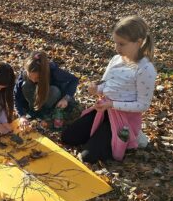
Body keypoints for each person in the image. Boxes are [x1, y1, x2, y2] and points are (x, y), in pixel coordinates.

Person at [62, 15, 157, 164]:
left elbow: (143, 105)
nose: (116, 48)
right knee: (68, 137)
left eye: (122, 44)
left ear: (138, 43)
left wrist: (112, 105)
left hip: (123, 117)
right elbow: (106, 84)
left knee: (88, 157)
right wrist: (96, 89)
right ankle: (102, 135)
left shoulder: (145, 68)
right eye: (115, 43)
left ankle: (132, 135)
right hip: (104, 110)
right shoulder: (116, 59)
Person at [14, 51, 79, 129]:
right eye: (30, 77)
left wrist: (65, 98)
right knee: (25, 85)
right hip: (35, 98)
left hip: (50, 98)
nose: (34, 80)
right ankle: (34, 111)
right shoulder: (24, 75)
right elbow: (16, 96)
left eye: (37, 78)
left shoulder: (53, 71)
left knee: (54, 91)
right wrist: (22, 116)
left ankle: (46, 113)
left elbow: (74, 80)